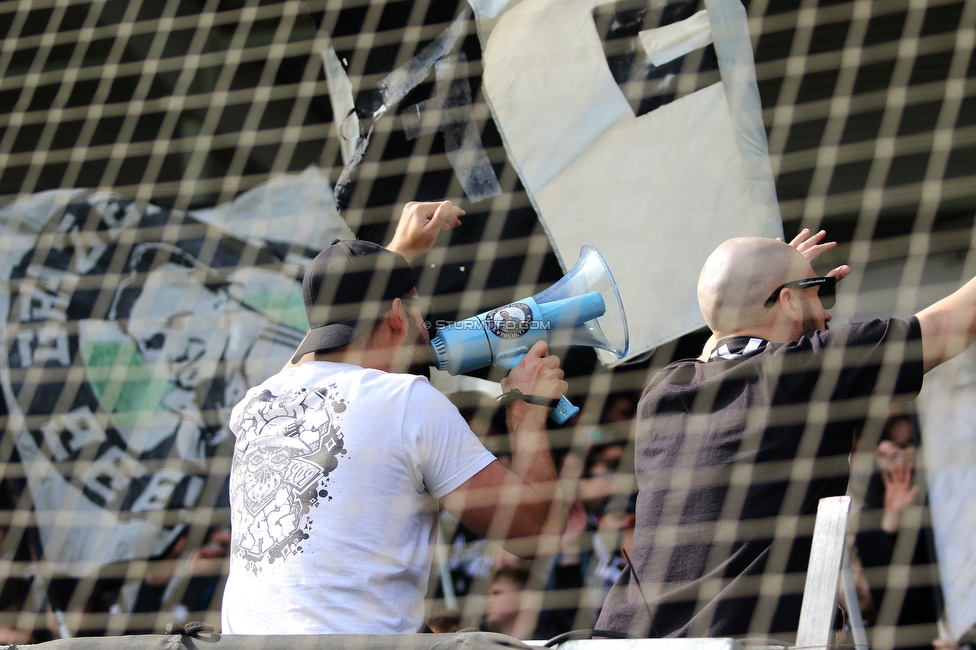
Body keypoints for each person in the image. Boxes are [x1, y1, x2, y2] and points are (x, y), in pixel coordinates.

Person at [597, 229, 976, 641]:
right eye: (820, 293)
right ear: (788, 300)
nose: (828, 314)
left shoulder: (663, 390)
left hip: (626, 640)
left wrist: (772, 276)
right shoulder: (808, 368)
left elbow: (723, 331)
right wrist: (780, 276)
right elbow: (959, 320)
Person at [221, 201, 568, 635]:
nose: (427, 330)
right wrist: (526, 408)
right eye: (418, 312)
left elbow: (307, 354)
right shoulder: (406, 400)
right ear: (398, 314)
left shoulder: (256, 403)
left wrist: (395, 255)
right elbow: (535, 534)